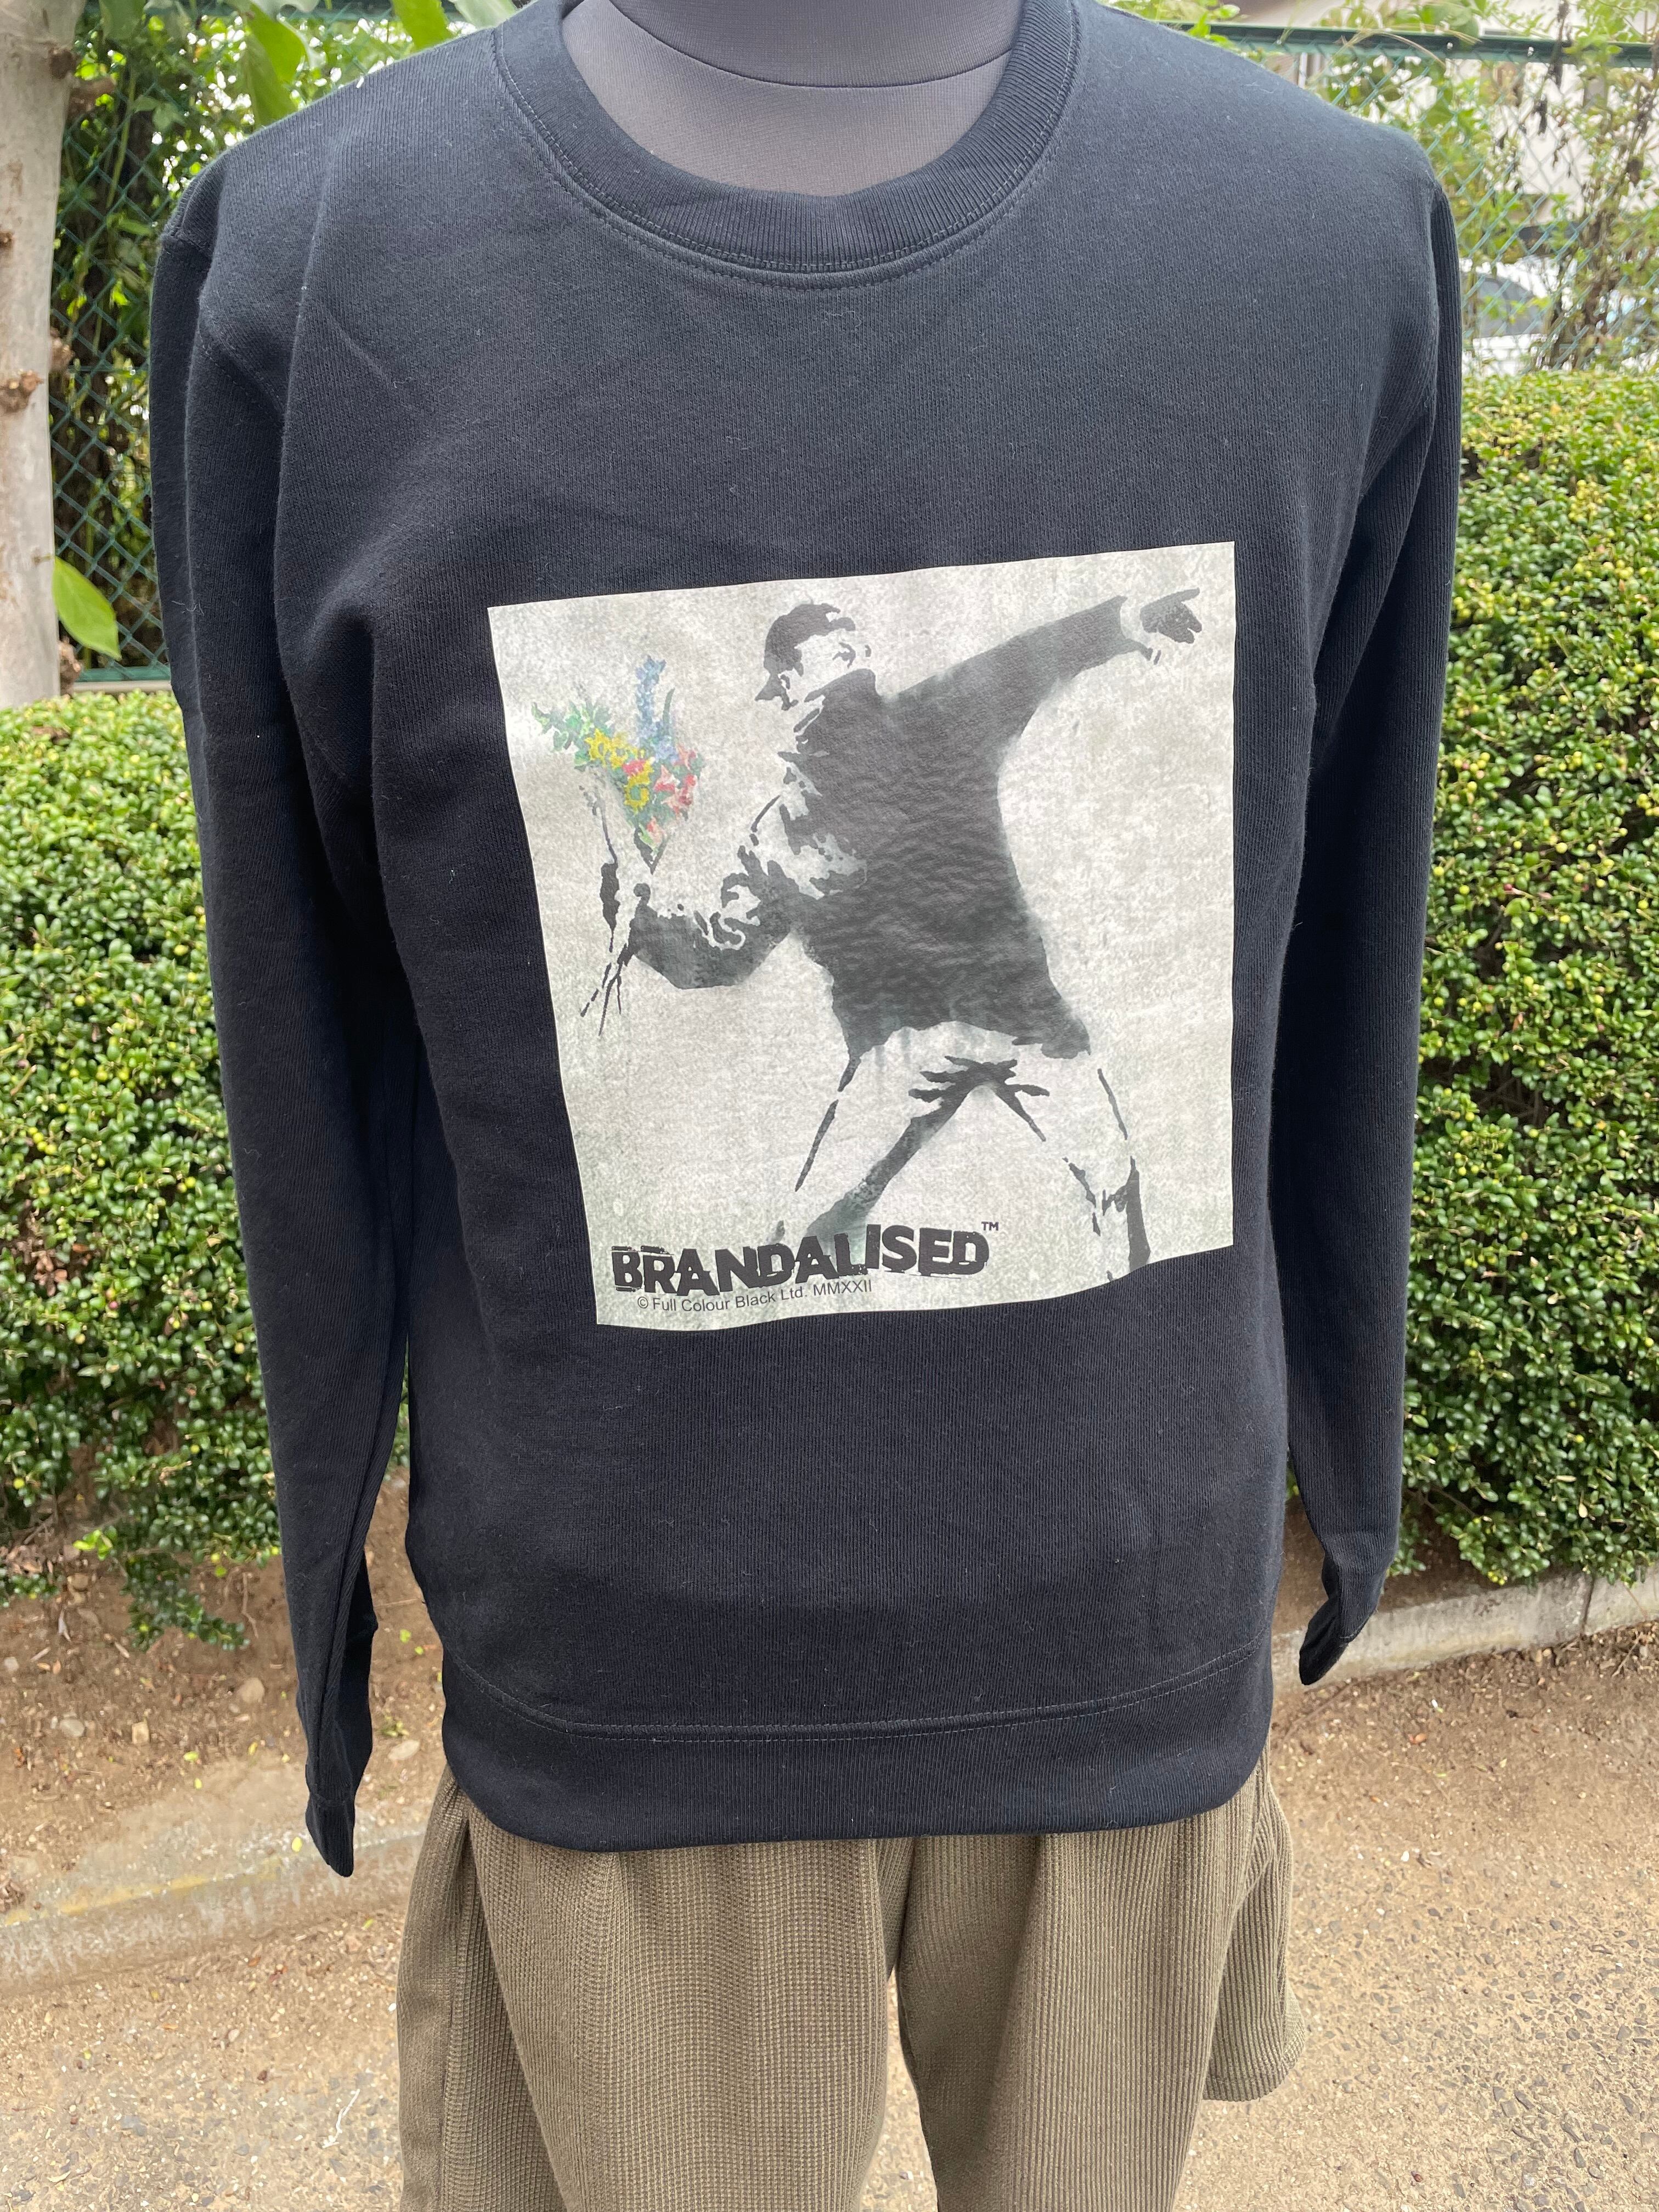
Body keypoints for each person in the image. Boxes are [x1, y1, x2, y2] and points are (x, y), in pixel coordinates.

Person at [614, 590, 1198, 1268]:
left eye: (852, 640)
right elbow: (1027, 663)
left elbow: (718, 956)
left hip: (944, 1039)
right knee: (1110, 1184)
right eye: (838, 645)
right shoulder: (922, 728)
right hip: (989, 1027)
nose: (854, 646)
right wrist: (1125, 623)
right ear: (795, 680)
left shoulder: (788, 823)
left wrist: (638, 919)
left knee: (813, 1230)